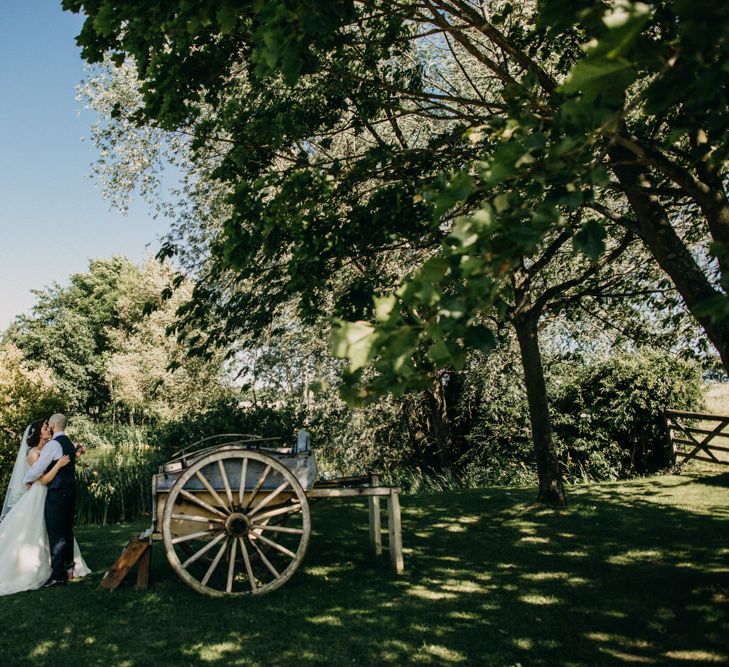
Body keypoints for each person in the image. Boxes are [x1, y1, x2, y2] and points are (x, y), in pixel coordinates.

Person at [0, 419, 90, 595]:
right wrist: (58, 465)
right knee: (41, 531)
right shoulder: (33, 454)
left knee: (55, 530)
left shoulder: (49, 448)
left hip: (49, 495)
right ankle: (44, 569)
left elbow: (58, 461)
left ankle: (63, 569)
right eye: (44, 427)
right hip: (40, 495)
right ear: (38, 433)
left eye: (49, 427)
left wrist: (73, 455)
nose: (48, 429)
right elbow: (43, 479)